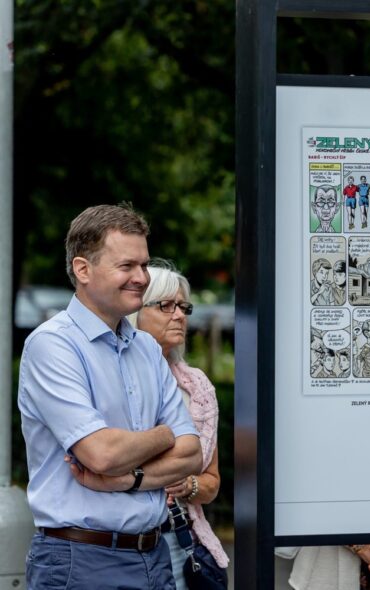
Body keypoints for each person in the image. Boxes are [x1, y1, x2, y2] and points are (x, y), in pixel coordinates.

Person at [18, 204, 202, 589]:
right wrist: (164, 434)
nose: (141, 278)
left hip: (155, 557)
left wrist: (128, 480)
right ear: (83, 270)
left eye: (144, 265)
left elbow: (192, 455)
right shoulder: (53, 345)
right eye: (127, 266)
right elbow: (100, 454)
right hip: (80, 563)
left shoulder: (147, 349)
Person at [128, 261, 230, 589]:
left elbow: (212, 482)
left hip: (177, 539)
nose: (179, 315)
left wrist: (191, 487)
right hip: (119, 544)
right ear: (135, 312)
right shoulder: (112, 378)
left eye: (183, 306)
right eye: (166, 305)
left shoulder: (195, 386)